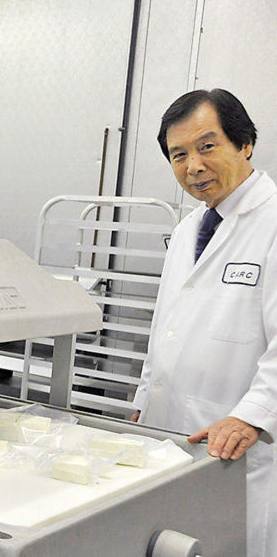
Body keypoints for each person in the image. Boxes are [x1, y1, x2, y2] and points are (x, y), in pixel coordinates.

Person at [131, 89, 277, 556]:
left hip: (238, 444)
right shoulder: (186, 230)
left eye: (207, 146)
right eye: (178, 154)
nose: (193, 166)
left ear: (245, 143)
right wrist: (143, 397)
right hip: (171, 432)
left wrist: (251, 416)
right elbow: (166, 327)